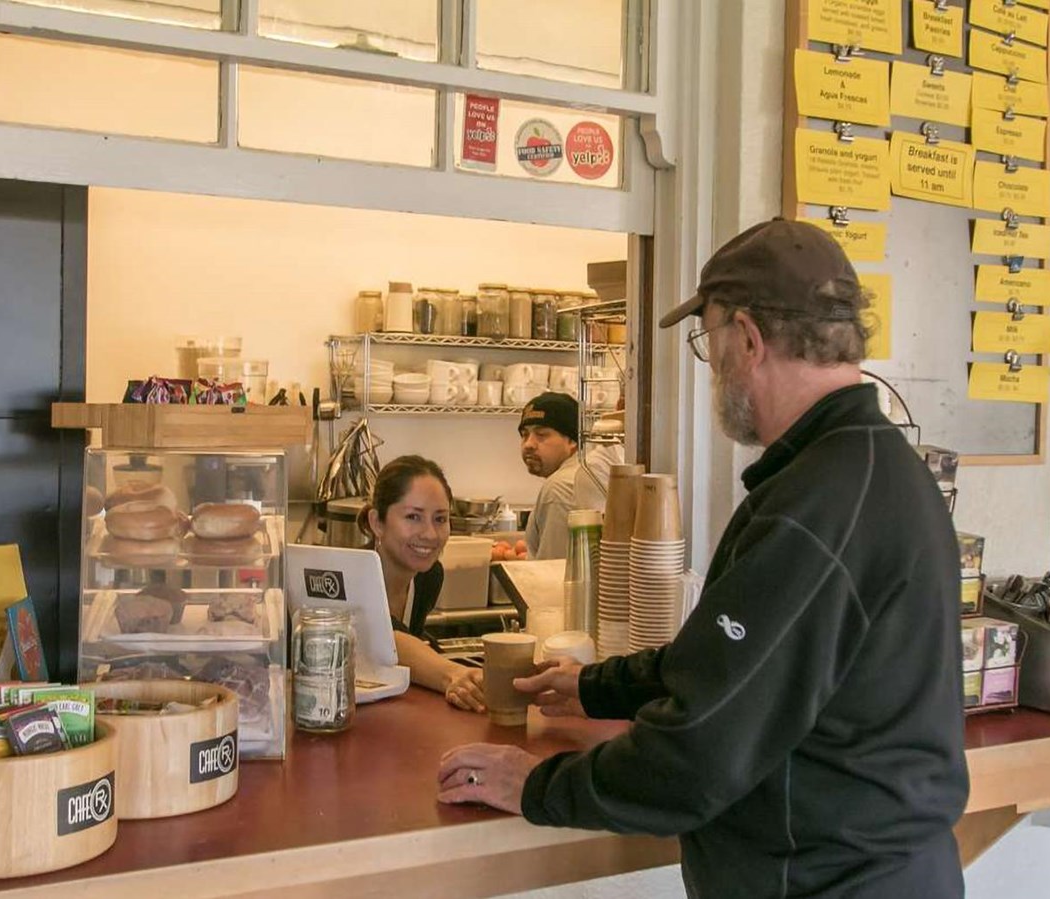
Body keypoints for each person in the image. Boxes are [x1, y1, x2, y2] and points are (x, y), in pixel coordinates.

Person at [437, 219, 970, 898]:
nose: (712, 367)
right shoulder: (875, 467)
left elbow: (697, 754)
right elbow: (731, 665)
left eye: (709, 342)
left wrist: (535, 783)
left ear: (748, 340)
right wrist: (598, 686)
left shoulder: (818, 506)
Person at [361, 455, 486, 713]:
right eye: (413, 517)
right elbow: (386, 639)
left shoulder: (428, 577)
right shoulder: (351, 578)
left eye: (440, 519)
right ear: (377, 523)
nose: (430, 534)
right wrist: (451, 674)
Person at [518, 392, 617, 560]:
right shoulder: (586, 472)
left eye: (541, 435)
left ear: (572, 440)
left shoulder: (559, 487)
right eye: (525, 435)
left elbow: (552, 569)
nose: (528, 444)